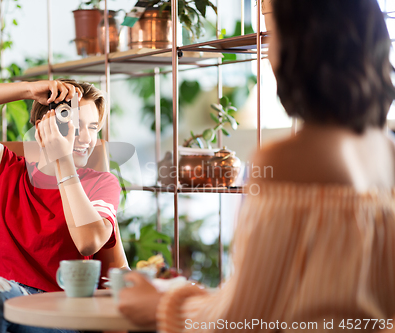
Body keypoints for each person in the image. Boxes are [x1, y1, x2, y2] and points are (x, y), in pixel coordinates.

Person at [117, 0, 395, 331]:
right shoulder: (386, 151)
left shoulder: (286, 159)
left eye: (273, 31)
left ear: (302, 46)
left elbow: (243, 319)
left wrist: (161, 305)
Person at [0, 79, 123, 333]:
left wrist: (63, 163)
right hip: (1, 301)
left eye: (93, 128)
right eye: (76, 126)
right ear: (44, 127)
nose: (86, 138)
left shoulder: (101, 184)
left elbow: (88, 241)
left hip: (59, 315)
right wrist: (28, 90)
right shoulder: (6, 171)